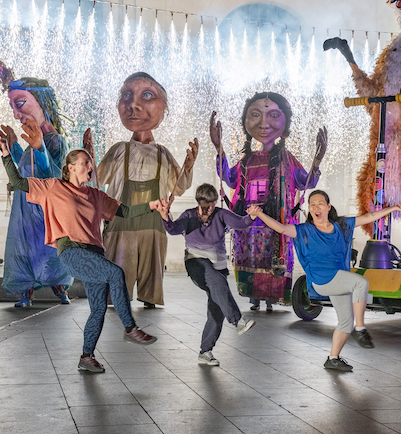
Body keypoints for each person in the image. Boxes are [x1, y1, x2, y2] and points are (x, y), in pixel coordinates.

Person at [0, 129, 157, 373]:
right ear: (71, 167)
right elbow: (19, 182)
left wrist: (152, 205)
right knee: (115, 273)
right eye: (85, 163)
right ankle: (130, 328)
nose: (90, 167)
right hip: (72, 252)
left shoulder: (95, 195)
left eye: (91, 163)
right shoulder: (53, 187)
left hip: (95, 255)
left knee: (98, 310)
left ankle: (86, 357)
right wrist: (6, 154)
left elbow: (125, 212)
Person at [249, 190, 401, 372]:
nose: (316, 207)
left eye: (320, 203)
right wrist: (259, 214)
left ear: (328, 207)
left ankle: (333, 359)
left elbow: (369, 217)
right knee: (360, 283)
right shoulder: (305, 230)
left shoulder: (341, 226)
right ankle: (360, 329)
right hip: (322, 279)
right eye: (312, 204)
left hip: (339, 279)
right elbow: (281, 228)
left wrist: (392, 208)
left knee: (345, 322)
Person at [211, 93, 325, 311]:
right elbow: (230, 178)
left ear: (284, 125)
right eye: (256, 115)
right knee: (252, 259)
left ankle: (272, 299)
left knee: (273, 259)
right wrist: (219, 149)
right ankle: (254, 298)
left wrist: (317, 161)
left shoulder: (287, 159)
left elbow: (306, 182)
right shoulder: (247, 160)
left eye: (273, 115)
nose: (264, 124)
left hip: (277, 223)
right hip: (249, 225)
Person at [97, 72, 197, 309]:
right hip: (121, 221)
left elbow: (178, 186)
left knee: (152, 264)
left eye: (147, 96)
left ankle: (150, 297)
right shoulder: (119, 150)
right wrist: (88, 158)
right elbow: (97, 179)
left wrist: (188, 167)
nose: (134, 105)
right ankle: (117, 297)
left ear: (163, 108)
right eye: (127, 96)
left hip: (154, 222)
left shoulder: (163, 153)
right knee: (119, 263)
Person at [0, 60, 72, 308]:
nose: (16, 114)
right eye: (12, 107)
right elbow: (26, 168)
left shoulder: (56, 141)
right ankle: (26, 292)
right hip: (25, 208)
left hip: (45, 210)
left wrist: (39, 148)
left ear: (41, 101)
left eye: (20, 104)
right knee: (24, 249)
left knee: (48, 249)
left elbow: (55, 177)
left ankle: (59, 287)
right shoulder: (35, 139)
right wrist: (14, 145)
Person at [157, 183, 256, 365]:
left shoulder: (221, 214)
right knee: (215, 278)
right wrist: (165, 216)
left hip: (218, 266)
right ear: (198, 202)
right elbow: (173, 229)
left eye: (212, 204)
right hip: (196, 263)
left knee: (216, 309)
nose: (209, 209)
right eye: (205, 205)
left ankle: (205, 351)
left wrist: (252, 216)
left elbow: (241, 223)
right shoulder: (189, 215)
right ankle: (237, 321)